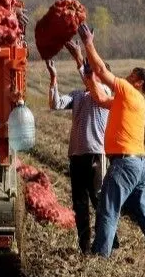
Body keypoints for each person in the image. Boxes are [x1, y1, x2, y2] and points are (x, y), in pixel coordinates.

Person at [77, 23, 145, 274]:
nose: (127, 77)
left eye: (132, 75)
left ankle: (99, 260)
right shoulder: (130, 100)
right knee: (144, 211)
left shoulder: (129, 91)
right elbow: (99, 97)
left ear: (139, 82)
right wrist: (88, 76)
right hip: (140, 164)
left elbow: (102, 69)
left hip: (125, 163)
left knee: (107, 208)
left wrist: (88, 43)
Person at [47, 41, 118, 254]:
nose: (92, 74)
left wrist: (79, 56)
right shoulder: (78, 95)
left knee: (99, 200)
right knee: (80, 204)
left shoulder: (105, 93)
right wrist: (54, 78)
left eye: (95, 72)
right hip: (76, 155)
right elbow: (55, 104)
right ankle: (84, 247)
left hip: (96, 154)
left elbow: (90, 81)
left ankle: (109, 242)